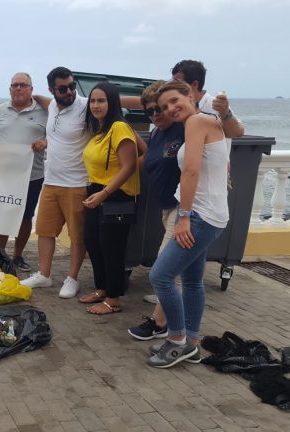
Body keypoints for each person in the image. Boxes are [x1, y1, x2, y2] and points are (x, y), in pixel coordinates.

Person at [147, 79, 229, 368]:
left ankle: (177, 340)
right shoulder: (210, 120)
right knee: (193, 281)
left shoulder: (195, 122)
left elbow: (191, 169)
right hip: (213, 214)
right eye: (164, 106)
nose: (170, 109)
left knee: (160, 277)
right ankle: (192, 343)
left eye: (175, 101)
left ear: (191, 94)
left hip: (199, 215)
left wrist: (183, 217)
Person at [20, 67, 88, 299]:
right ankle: (44, 274)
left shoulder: (85, 105)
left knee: (77, 236)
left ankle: (72, 278)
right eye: (63, 88)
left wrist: (153, 98)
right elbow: (42, 99)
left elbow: (117, 100)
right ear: (52, 90)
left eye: (72, 86)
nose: (69, 91)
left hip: (78, 183)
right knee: (45, 231)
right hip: (51, 181)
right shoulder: (50, 106)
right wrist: (28, 95)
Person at [126, 81, 184, 337]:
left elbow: (228, 132)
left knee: (164, 270)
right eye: (150, 111)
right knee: (183, 273)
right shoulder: (158, 134)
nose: (156, 115)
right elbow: (147, 159)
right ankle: (183, 328)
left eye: (159, 109)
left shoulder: (184, 129)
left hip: (184, 208)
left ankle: (162, 323)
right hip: (165, 208)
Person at [79, 82, 140, 315]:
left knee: (111, 248)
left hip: (115, 195)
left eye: (101, 100)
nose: (95, 105)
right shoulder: (101, 129)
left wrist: (105, 193)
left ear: (112, 102)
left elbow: (130, 164)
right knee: (93, 243)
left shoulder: (119, 127)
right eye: (93, 101)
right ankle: (102, 288)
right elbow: (142, 150)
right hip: (96, 190)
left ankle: (114, 299)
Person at [0, 72, 47, 273]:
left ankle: (17, 255)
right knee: (1, 215)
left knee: (26, 217)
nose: (18, 88)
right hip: (3, 176)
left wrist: (46, 142)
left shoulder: (45, 112)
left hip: (32, 175)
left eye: (23, 85)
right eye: (15, 85)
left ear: (31, 89)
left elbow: (58, 137)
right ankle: (0, 254)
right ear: (9, 89)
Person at [171, 60, 244, 140]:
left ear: (195, 84)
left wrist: (225, 113)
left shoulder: (214, 105)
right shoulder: (180, 106)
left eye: (177, 83)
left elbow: (237, 132)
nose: (173, 87)